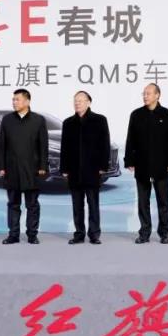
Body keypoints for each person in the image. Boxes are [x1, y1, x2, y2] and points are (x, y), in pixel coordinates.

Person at [124, 83, 168, 244]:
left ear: (157, 95)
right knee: (143, 202)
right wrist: (129, 160)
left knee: (163, 201)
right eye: (144, 93)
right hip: (141, 165)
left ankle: (164, 233)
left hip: (161, 166)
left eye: (148, 93)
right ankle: (144, 233)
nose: (145, 96)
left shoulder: (167, 114)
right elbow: (130, 139)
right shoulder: (136, 114)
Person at [0, 89, 48, 244]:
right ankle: (13, 235)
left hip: (32, 170)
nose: (14, 102)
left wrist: (43, 166)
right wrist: (1, 166)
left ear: (27, 101)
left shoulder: (38, 120)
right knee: (13, 204)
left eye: (17, 99)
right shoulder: (7, 120)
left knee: (32, 204)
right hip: (11, 169)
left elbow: (43, 145)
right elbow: (2, 145)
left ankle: (32, 234)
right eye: (13, 99)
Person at [61, 91, 111, 245]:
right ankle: (79, 234)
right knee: (77, 205)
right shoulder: (68, 123)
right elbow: (64, 148)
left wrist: (103, 166)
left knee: (93, 204)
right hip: (74, 170)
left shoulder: (99, 120)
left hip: (92, 169)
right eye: (75, 101)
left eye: (81, 101)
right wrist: (64, 169)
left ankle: (94, 234)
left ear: (89, 102)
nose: (77, 103)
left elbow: (105, 144)